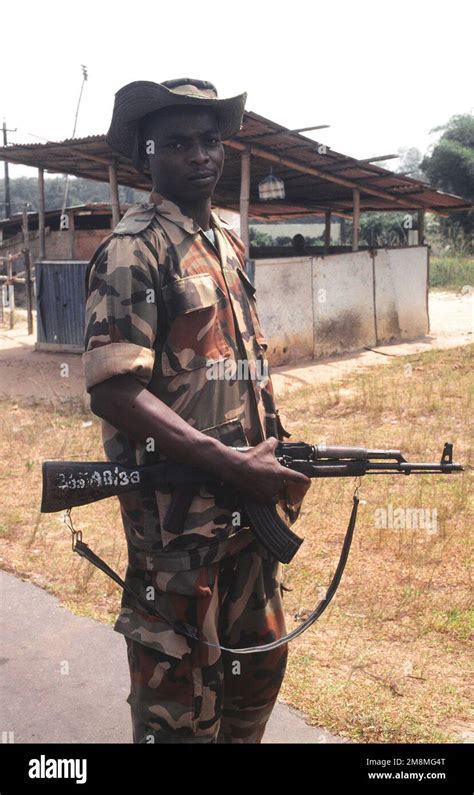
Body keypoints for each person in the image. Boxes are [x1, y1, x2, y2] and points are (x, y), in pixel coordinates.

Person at [82, 77, 310, 744]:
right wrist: (227, 462)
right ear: (146, 156)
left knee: (256, 675)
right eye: (179, 143)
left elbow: (239, 360)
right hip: (178, 532)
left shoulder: (229, 241)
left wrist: (276, 446)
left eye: (211, 141)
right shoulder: (134, 250)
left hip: (247, 520)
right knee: (177, 706)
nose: (201, 155)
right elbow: (115, 390)